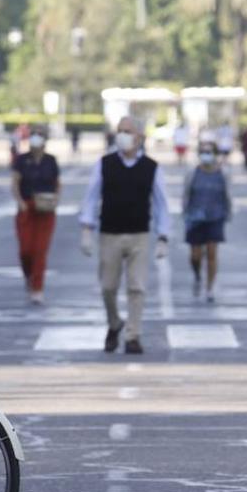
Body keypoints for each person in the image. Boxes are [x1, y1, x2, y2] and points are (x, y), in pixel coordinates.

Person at [79, 116, 170, 355]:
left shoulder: (151, 167)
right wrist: (87, 228)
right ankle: (114, 323)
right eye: (120, 131)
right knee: (108, 287)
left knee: (137, 286)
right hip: (110, 233)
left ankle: (133, 335)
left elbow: (162, 204)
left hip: (139, 234)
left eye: (127, 131)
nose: (123, 135)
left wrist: (163, 236)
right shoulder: (105, 164)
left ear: (140, 137)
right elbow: (91, 196)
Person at [12, 126, 60, 305]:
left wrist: (55, 199)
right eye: (33, 136)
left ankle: (37, 288)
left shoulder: (50, 161)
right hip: (26, 209)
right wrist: (20, 202)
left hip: (46, 210)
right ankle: (28, 275)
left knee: (40, 250)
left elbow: (57, 184)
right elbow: (15, 182)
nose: (36, 139)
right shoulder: (21, 160)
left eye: (39, 136)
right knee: (26, 249)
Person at [184, 140, 232, 303]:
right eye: (203, 151)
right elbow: (186, 194)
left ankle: (210, 287)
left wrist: (228, 213)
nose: (206, 155)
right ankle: (197, 275)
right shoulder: (193, 172)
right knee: (195, 255)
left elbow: (227, 194)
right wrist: (185, 213)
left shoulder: (223, 173)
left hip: (215, 217)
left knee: (212, 253)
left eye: (209, 152)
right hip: (195, 218)